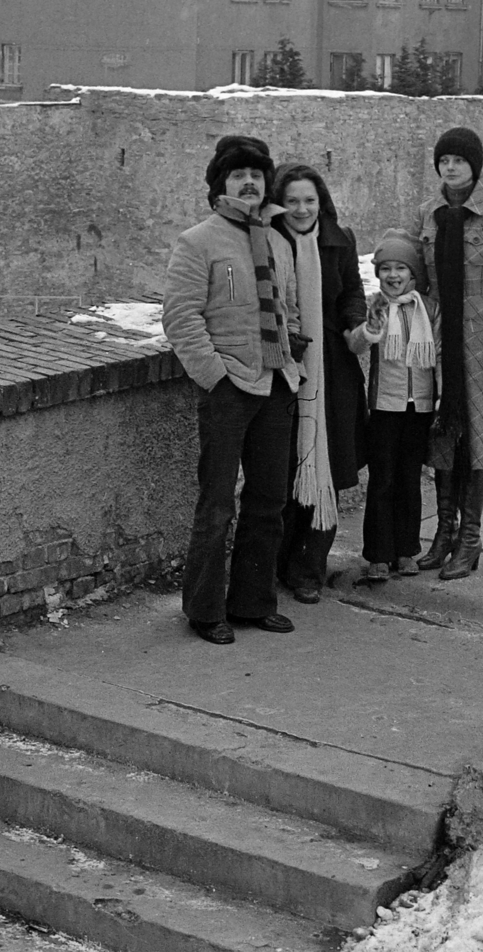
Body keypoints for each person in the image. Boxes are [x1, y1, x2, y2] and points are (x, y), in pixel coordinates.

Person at [162, 134, 305, 644]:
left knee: (268, 500)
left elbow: (287, 305)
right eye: (238, 175)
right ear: (220, 184)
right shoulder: (198, 241)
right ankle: (205, 610)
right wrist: (216, 377)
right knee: (217, 504)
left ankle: (252, 601)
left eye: (257, 175)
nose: (249, 183)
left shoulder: (278, 239)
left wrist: (292, 354)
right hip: (228, 387)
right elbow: (180, 318)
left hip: (276, 384)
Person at [411, 126, 483, 580]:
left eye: (459, 160)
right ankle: (443, 533)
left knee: (475, 441)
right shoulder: (427, 214)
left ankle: (470, 540)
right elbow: (420, 281)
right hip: (438, 341)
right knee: (441, 437)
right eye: (444, 160)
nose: (451, 167)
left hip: (479, 345)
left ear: (475, 165)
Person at [271, 162, 369, 603]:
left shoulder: (338, 240)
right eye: (291, 200)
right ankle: (279, 564)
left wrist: (355, 327)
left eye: (309, 200)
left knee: (324, 464)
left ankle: (309, 569)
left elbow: (352, 294)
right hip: (284, 367)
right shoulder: (269, 242)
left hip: (333, 369)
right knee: (286, 468)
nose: (301, 208)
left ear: (321, 201)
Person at [348, 229, 439, 583]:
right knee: (382, 480)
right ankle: (378, 554)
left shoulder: (427, 309)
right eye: (386, 268)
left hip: (421, 407)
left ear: (413, 274)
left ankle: (406, 549)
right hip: (385, 406)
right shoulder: (377, 305)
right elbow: (357, 344)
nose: (393, 275)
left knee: (409, 479)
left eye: (401, 268)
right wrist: (370, 329)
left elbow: (440, 355)